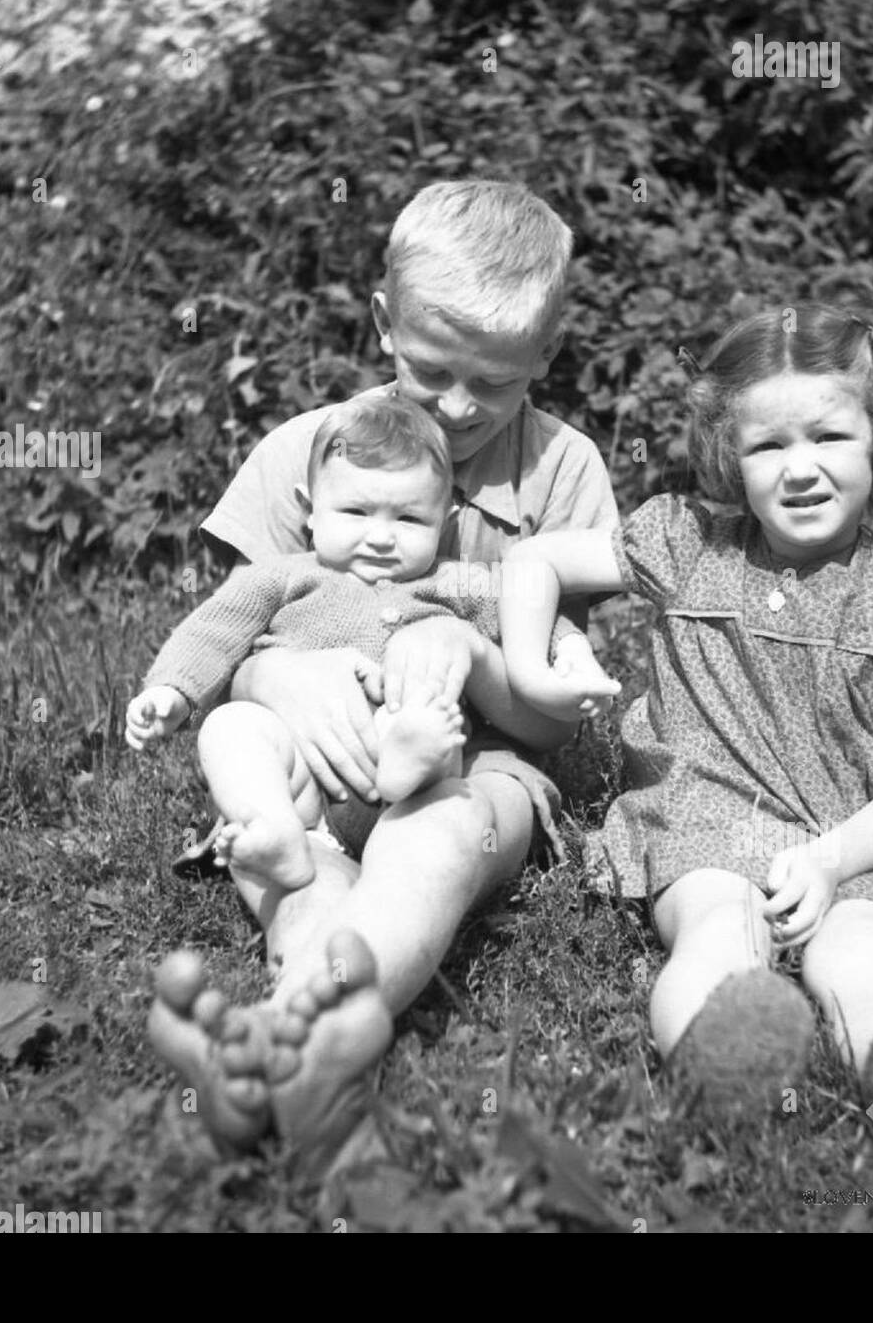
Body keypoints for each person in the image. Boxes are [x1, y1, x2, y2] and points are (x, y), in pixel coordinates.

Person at [146, 180, 619, 1164]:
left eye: (492, 382)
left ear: (545, 354)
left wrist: (474, 658)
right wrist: (278, 682)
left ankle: (278, 1050)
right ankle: (303, 1058)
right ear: (381, 323)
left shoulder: (564, 475)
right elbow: (244, 627)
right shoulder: (308, 456)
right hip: (312, 777)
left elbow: (542, 725)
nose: (455, 407)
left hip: (472, 770)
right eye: (430, 367)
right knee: (298, 856)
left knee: (426, 854)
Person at [499, 304, 873, 1115]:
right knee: (718, 932)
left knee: (860, 957)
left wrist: (829, 862)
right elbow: (533, 556)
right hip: (707, 821)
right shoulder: (687, 545)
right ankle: (728, 1081)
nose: (801, 468)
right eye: (768, 445)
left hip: (861, 839)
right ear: (729, 456)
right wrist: (532, 671)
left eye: (829, 437)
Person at [126, 395, 503, 890]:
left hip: (414, 803)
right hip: (304, 780)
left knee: (425, 718)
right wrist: (173, 691)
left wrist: (568, 651)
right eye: (356, 511)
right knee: (230, 725)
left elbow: (523, 612)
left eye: (409, 519)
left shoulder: (456, 581)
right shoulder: (283, 576)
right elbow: (214, 629)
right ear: (310, 509)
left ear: (446, 519)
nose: (382, 537)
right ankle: (273, 829)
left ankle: (408, 757)